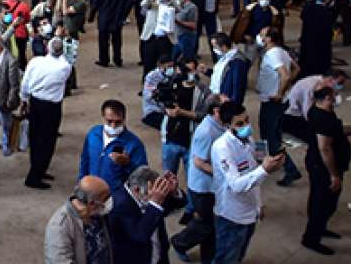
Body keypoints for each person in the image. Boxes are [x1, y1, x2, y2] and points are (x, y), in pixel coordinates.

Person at [210, 102, 286, 264]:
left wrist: (258, 204)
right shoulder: (222, 148)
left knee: (239, 253)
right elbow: (236, 185)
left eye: (247, 120)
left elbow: (254, 170)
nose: (246, 126)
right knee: (226, 257)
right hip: (232, 215)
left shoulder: (248, 139)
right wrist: (264, 169)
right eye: (239, 123)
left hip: (250, 211)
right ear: (226, 125)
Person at [301, 86, 351, 255]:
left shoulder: (322, 112)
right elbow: (325, 148)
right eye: (332, 97)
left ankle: (320, 228)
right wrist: (334, 175)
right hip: (322, 169)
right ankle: (311, 239)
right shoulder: (322, 119)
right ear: (324, 99)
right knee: (321, 204)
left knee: (327, 203)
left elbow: (336, 131)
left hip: (322, 166)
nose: (335, 100)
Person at [171, 98, 231, 263]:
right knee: (206, 224)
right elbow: (199, 162)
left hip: (212, 186)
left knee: (210, 225)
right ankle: (179, 243)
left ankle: (208, 257)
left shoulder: (221, 125)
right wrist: (226, 174)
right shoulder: (207, 132)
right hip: (203, 188)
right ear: (216, 111)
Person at [21, 38, 74, 189]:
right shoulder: (64, 67)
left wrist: (24, 99)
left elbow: (25, 82)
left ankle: (38, 169)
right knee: (47, 142)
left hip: (35, 102)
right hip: (51, 107)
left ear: (47, 48)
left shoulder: (35, 62)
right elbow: (68, 57)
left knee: (35, 138)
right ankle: (34, 176)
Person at [255, 29, 301, 186]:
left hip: (273, 102)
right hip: (273, 101)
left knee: (271, 138)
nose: (259, 37)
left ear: (268, 39)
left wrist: (280, 92)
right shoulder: (281, 51)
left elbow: (286, 75)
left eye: (262, 35)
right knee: (268, 132)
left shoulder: (273, 54)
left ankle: (291, 170)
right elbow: (296, 69)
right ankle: (264, 159)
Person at [107, 166, 181, 264]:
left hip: (160, 256)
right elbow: (139, 236)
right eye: (149, 195)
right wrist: (154, 203)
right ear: (136, 190)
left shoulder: (149, 194)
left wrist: (173, 192)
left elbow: (170, 207)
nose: (154, 196)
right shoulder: (119, 205)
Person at [79, 99, 148, 195]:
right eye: (109, 121)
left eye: (118, 122)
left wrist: (127, 164)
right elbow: (85, 160)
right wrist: (81, 183)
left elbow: (142, 176)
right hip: (91, 192)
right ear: (103, 117)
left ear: (124, 119)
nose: (113, 126)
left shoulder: (134, 144)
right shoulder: (93, 134)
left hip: (116, 196)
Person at [43, 175, 113, 264]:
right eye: (105, 198)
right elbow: (59, 261)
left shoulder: (97, 212)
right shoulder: (59, 226)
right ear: (91, 203)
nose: (108, 202)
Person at [91, 0, 127, 68]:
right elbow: (129, 2)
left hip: (104, 19)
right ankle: (117, 59)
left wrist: (91, 17)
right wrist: (124, 15)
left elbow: (94, 6)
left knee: (103, 41)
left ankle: (104, 60)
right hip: (117, 19)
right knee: (117, 41)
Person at [298, 0, 336, 77]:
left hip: (307, 40)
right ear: (327, 0)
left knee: (306, 61)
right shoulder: (325, 12)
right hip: (320, 43)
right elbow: (327, 30)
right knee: (318, 63)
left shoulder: (308, 7)